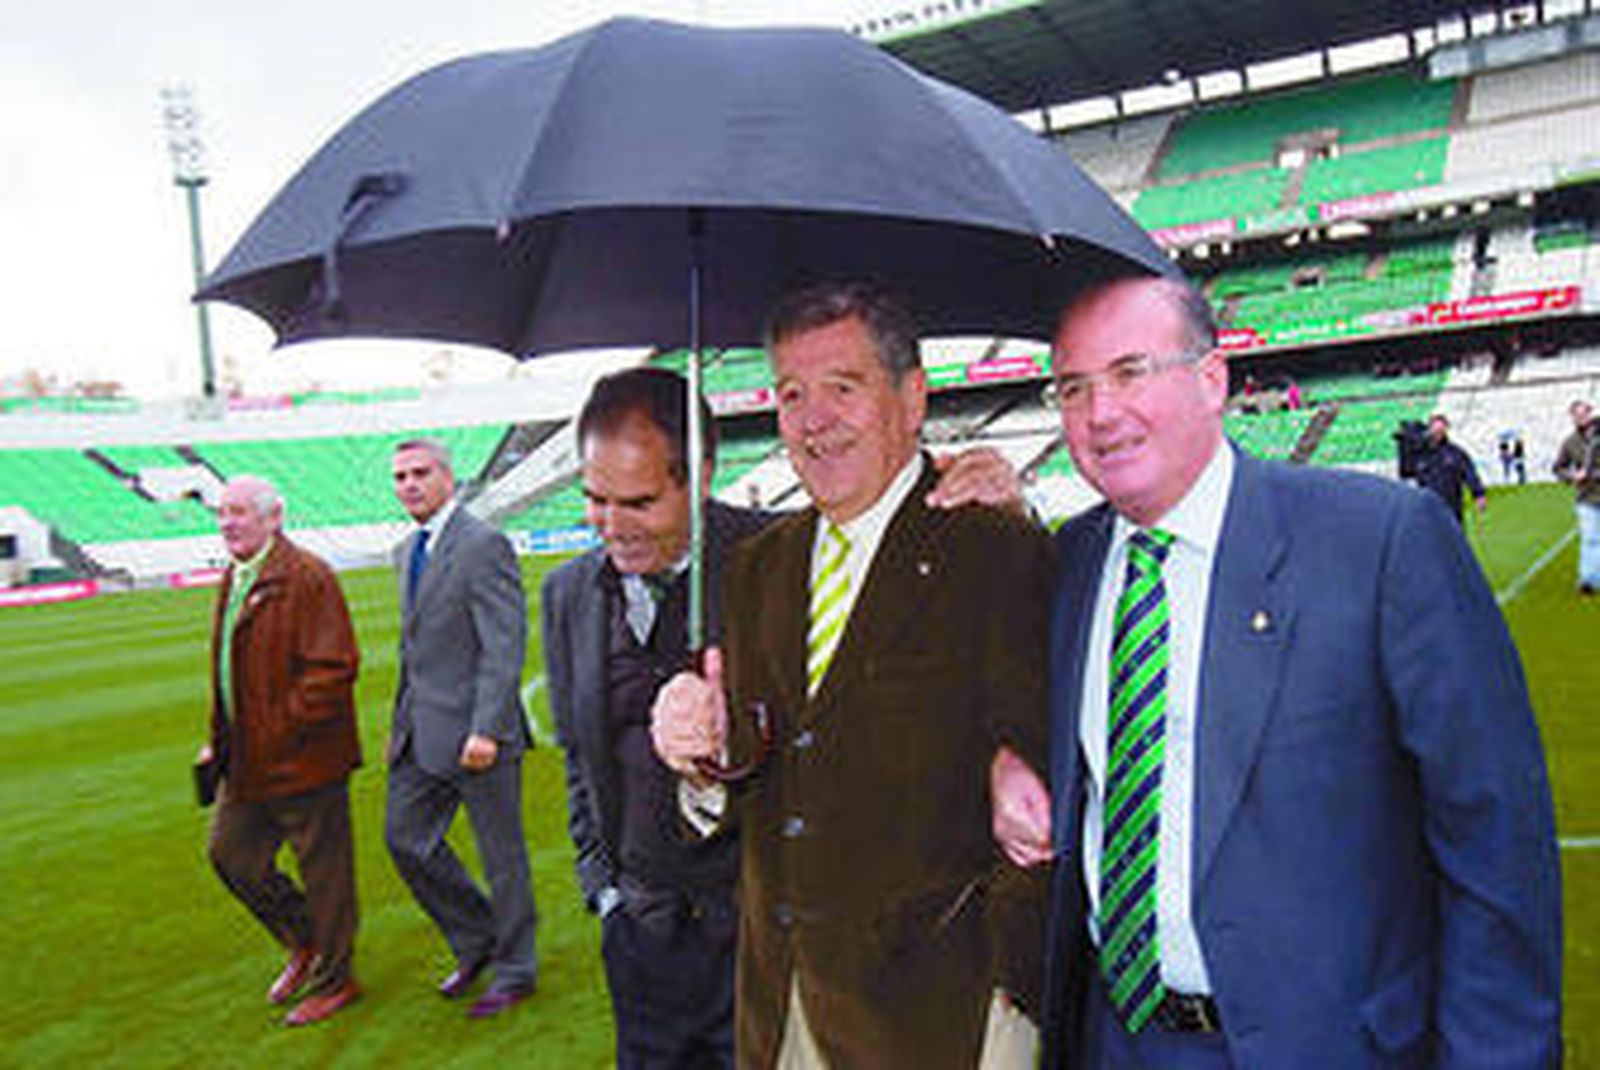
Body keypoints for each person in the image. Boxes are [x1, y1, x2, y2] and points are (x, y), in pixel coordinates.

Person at [992, 275, 1562, 1068]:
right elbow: (1029, 726)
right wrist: (1008, 760)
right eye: (1073, 388)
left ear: (1211, 379)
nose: (1099, 413)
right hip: (1115, 1042)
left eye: (1130, 372)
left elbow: (1494, 841)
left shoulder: (1382, 543)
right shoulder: (1066, 564)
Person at [545, 365, 1036, 1068]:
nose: (611, 527)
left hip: (771, 943)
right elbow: (577, 755)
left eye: (640, 501)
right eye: (595, 500)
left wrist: (1006, 508)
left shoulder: (793, 559)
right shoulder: (568, 594)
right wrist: (606, 893)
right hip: (641, 940)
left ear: (702, 474)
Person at [651, 282, 1051, 1069]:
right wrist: (702, 758)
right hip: (784, 1005)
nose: (812, 420)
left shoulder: (996, 549)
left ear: (911, 397)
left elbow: (1042, 778)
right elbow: (759, 776)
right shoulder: (756, 566)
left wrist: (1011, 988)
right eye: (791, 394)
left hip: (944, 1013)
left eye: (843, 388)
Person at [200, 475, 362, 1026]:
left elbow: (334, 669)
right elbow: (228, 670)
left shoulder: (306, 575)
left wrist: (280, 730)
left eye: (240, 512)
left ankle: (336, 980)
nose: (228, 522)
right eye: (222, 512)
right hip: (246, 759)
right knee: (231, 856)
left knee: (326, 875)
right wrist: (218, 738)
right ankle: (304, 941)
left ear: (274, 518)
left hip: (305, 758)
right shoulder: (235, 575)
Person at [386, 439, 539, 1018]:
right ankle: (479, 940)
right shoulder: (406, 551)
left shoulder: (483, 544)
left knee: (502, 856)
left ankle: (517, 969)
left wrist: (488, 728)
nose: (410, 484)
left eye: (421, 473)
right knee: (405, 838)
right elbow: (413, 650)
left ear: (448, 478)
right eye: (400, 476)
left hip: (480, 734)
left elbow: (504, 643)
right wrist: (399, 724)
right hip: (421, 731)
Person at [1553, 398, 1600, 596]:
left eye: (1584, 414)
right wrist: (1572, 476)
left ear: (1591, 413)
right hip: (1586, 497)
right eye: (1577, 415)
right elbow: (1557, 468)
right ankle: (1589, 579)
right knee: (1590, 538)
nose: (1581, 418)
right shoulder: (1569, 442)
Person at [1411, 413, 1487, 524]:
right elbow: (1409, 477)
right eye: (1435, 430)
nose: (1438, 433)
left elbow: (1469, 474)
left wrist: (1478, 494)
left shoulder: (1456, 453)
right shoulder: (1420, 455)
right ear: (1430, 429)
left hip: (1452, 505)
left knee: (1454, 537)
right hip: (1428, 508)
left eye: (1441, 429)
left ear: (1446, 429)